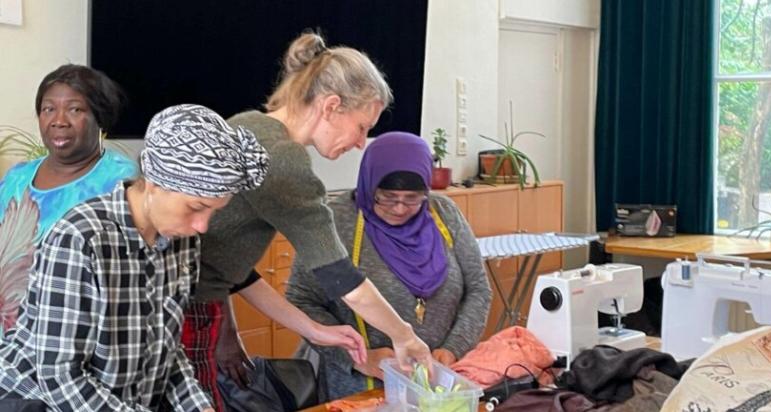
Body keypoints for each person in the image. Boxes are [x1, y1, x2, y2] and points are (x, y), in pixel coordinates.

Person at [188, 31, 432, 409]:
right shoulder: (285, 162)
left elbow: (229, 268)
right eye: (362, 127)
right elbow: (341, 279)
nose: (360, 143)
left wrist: (313, 330)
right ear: (331, 106)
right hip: (185, 313)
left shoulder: (249, 123)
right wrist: (405, 336)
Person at [0, 104, 268, 411]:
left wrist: (198, 406)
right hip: (38, 401)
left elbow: (166, 348)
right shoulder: (80, 238)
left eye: (212, 212)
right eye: (195, 207)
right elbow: (60, 376)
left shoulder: (182, 242)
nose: (202, 226)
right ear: (154, 183)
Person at [286, 131, 492, 398]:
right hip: (359, 388)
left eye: (412, 199)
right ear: (369, 185)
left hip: (434, 385)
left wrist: (453, 348)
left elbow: (478, 289)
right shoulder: (335, 221)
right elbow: (301, 299)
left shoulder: (444, 214)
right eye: (387, 197)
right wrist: (359, 358)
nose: (399, 209)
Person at [0, 64, 137, 333]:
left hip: (69, 341)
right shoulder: (17, 177)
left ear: (100, 117)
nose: (58, 120)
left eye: (75, 109)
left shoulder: (121, 181)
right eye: (48, 109)